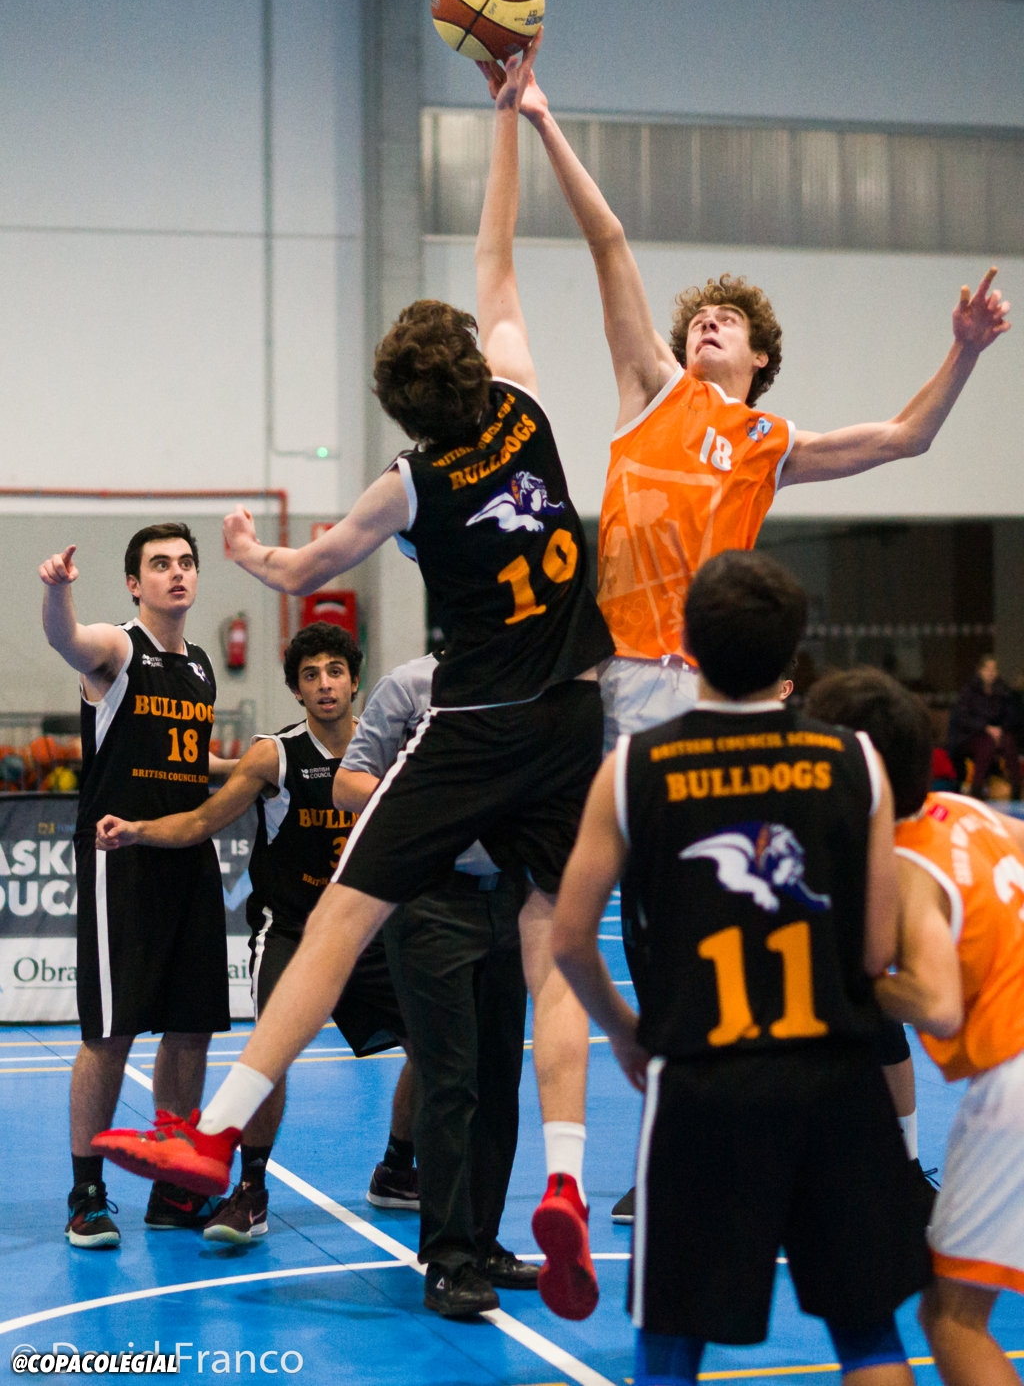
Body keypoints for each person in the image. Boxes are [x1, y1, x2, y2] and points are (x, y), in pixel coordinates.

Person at [94, 35, 614, 1323]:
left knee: (337, 914)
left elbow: (304, 565)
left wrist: (246, 550)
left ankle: (215, 1131)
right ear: (472, 367)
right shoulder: (529, 408)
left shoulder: (410, 481)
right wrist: (509, 113)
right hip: (575, 716)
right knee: (553, 954)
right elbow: (496, 254)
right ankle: (562, 1174)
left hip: (478, 720)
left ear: (401, 407)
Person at [504, 63, 1011, 747]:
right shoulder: (653, 389)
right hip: (622, 672)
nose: (707, 323)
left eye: (727, 320)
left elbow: (906, 435)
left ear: (761, 356)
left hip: (715, 683)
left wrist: (966, 351)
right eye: (698, 321)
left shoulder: (769, 442)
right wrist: (541, 118)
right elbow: (609, 242)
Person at [552, 550, 930, 1385]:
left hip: (703, 1081)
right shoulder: (856, 759)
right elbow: (878, 951)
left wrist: (626, 1033)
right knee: (870, 1336)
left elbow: (570, 939)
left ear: (687, 642)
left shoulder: (632, 769)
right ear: (795, 651)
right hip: (836, 1078)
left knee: (671, 1344)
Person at [95, 621, 417, 1245]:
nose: (325, 684)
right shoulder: (276, 755)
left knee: (435, 1047)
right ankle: (250, 1190)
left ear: (356, 681)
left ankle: (398, 1169)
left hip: (367, 930)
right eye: (310, 675)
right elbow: (201, 821)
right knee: (272, 1054)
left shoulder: (388, 752)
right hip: (291, 930)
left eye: (335, 672)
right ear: (297, 690)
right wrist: (137, 830)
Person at [806, 665, 1024, 1386]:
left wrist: (848, 978)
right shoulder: (968, 812)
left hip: (1014, 1079)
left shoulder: (902, 861)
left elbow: (936, 1002)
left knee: (950, 1317)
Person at [40, 524, 235, 1249]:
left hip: (187, 856)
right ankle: (87, 1193)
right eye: (160, 565)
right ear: (134, 583)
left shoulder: (202, 667)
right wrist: (57, 593)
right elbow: (69, 641)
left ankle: (173, 1184)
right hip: (119, 859)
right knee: (111, 1031)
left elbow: (191, 757)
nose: (176, 573)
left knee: (191, 1027)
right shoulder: (120, 651)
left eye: (186, 562)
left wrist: (258, 768)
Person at [334, 652, 538, 1316]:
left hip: (509, 897)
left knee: (500, 1078)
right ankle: (448, 1261)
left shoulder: (534, 685)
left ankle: (482, 1242)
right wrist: (429, 810)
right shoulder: (410, 685)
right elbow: (348, 783)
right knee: (449, 1079)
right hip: (428, 901)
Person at [947, 654, 1021, 801]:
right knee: (986, 744)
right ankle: (977, 790)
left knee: (1008, 742)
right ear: (980, 670)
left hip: (997, 732)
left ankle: (1017, 790)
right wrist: (985, 728)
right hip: (970, 735)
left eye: (994, 669)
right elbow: (963, 718)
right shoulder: (968, 691)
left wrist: (1000, 729)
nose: (991, 673)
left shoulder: (1002, 690)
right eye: (987, 669)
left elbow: (1011, 715)